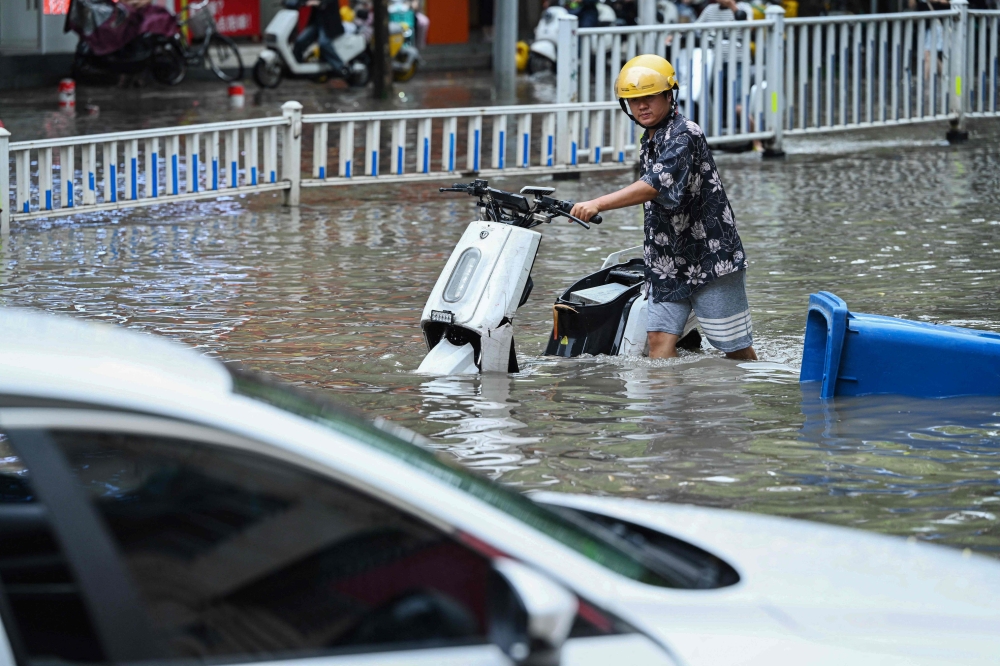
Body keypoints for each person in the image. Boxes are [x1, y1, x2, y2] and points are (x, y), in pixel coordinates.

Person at [570, 55, 757, 361]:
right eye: (634, 100)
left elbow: (654, 186)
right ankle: (665, 409)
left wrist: (597, 202)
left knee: (735, 349)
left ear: (669, 96)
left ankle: (733, 404)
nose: (642, 106)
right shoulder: (650, 139)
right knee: (658, 342)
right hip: (667, 259)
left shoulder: (685, 134)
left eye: (650, 97)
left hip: (710, 256)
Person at [293, 0, 349, 79]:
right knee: (299, 41)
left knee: (323, 43)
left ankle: (341, 67)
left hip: (329, 24)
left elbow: (327, 2)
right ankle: (298, 67)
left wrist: (318, 3)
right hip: (316, 23)